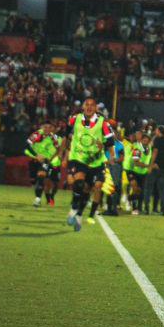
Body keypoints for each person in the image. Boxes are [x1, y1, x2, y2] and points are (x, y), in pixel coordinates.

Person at [59, 97, 114, 232]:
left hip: (95, 161)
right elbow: (65, 135)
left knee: (87, 190)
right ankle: (73, 208)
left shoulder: (103, 123)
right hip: (78, 158)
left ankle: (79, 214)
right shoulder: (74, 119)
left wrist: (105, 146)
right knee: (78, 182)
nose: (89, 107)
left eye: (92, 105)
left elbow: (111, 141)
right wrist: (64, 153)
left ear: (96, 108)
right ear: (83, 107)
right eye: (87, 105)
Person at [24, 121, 60, 208]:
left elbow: (58, 148)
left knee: (41, 176)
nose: (47, 129)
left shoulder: (54, 137)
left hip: (44, 161)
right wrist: (36, 156)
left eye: (49, 127)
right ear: (41, 127)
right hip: (34, 159)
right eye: (45, 127)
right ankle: (39, 195)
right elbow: (27, 145)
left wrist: (50, 158)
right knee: (33, 180)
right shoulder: (36, 134)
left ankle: (38, 199)